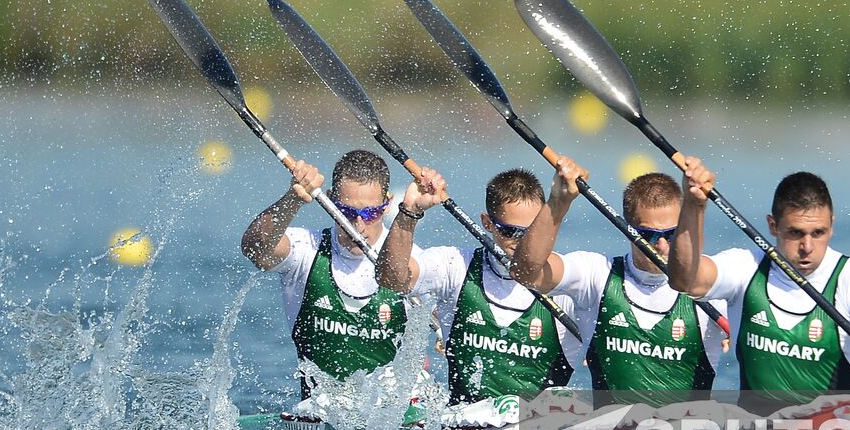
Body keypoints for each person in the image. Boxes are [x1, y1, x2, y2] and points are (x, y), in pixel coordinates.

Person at [666, 158, 850, 413]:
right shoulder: (747, 267)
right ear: (773, 226)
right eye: (796, 233)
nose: (807, 247)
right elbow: (684, 280)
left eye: (818, 233)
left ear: (831, 226)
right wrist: (695, 206)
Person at [512, 156, 725, 407]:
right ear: (628, 231)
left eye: (671, 233)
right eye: (649, 235)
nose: (662, 245)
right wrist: (559, 201)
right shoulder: (597, 276)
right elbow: (525, 273)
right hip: (611, 429)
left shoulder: (713, 286)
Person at [377, 167, 576, 406]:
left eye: (532, 231)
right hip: (464, 424)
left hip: (540, 427)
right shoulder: (456, 267)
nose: (522, 241)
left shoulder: (568, 285)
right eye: (510, 231)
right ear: (487, 223)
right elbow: (392, 279)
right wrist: (410, 211)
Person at [241, 149, 419, 395]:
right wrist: (292, 199)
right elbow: (254, 250)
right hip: (318, 409)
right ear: (330, 200)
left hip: (394, 412)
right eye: (346, 212)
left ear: (387, 204)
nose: (358, 225)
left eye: (370, 213)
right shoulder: (307, 250)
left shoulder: (413, 262)